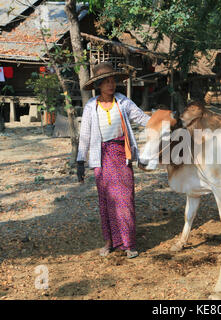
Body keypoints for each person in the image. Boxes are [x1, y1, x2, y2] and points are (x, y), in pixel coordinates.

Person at [76, 62, 150, 258]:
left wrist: (163, 120)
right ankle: (109, 242)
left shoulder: (123, 102)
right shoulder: (92, 106)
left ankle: (129, 244)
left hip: (121, 156)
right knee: (106, 201)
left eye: (112, 81)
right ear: (99, 85)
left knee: (125, 200)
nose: (111, 85)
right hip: (101, 158)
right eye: (106, 82)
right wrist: (80, 162)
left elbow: (142, 118)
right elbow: (84, 135)